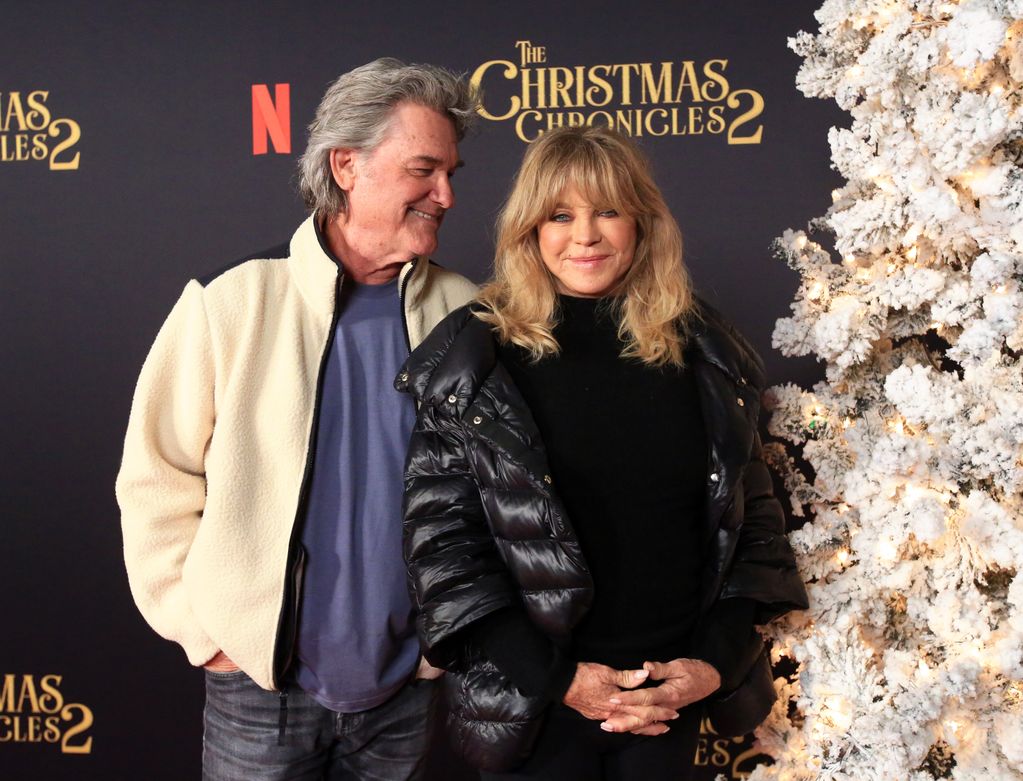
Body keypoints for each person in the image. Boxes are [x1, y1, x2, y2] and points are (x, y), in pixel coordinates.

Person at [395, 125, 809, 780]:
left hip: (668, 707)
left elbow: (753, 526)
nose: (584, 235)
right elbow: (445, 554)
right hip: (538, 710)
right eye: (561, 215)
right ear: (530, 228)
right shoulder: (475, 358)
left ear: (642, 223)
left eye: (607, 211)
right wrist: (562, 680)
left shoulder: (704, 348)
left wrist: (709, 666)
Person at [116, 58, 479, 780]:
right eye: (423, 169)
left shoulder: (469, 313)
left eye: (451, 173)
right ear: (347, 165)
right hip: (260, 695)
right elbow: (155, 478)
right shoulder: (231, 304)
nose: (445, 194)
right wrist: (211, 635)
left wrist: (441, 646)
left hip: (406, 691)